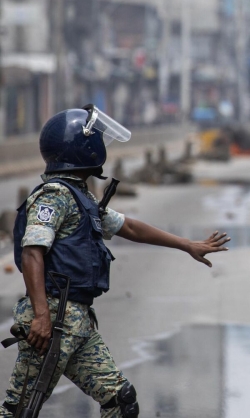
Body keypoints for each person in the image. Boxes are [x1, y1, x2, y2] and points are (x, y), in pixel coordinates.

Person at [1, 105, 230, 418]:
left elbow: (130, 227)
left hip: (76, 322)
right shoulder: (54, 195)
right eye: (95, 139)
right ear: (83, 148)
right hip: (51, 321)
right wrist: (41, 315)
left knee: (120, 400)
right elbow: (32, 252)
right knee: (20, 411)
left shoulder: (79, 197)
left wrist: (187, 244)